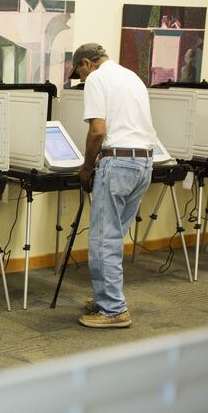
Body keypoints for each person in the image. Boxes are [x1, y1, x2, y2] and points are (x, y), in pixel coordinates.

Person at [69, 43, 157, 328]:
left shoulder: (96, 78)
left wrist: (86, 167)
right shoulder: (131, 76)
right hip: (143, 163)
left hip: (117, 163)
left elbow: (98, 131)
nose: (81, 79)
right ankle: (106, 298)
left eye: (79, 73)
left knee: (103, 239)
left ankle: (113, 310)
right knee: (114, 237)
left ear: (86, 63)